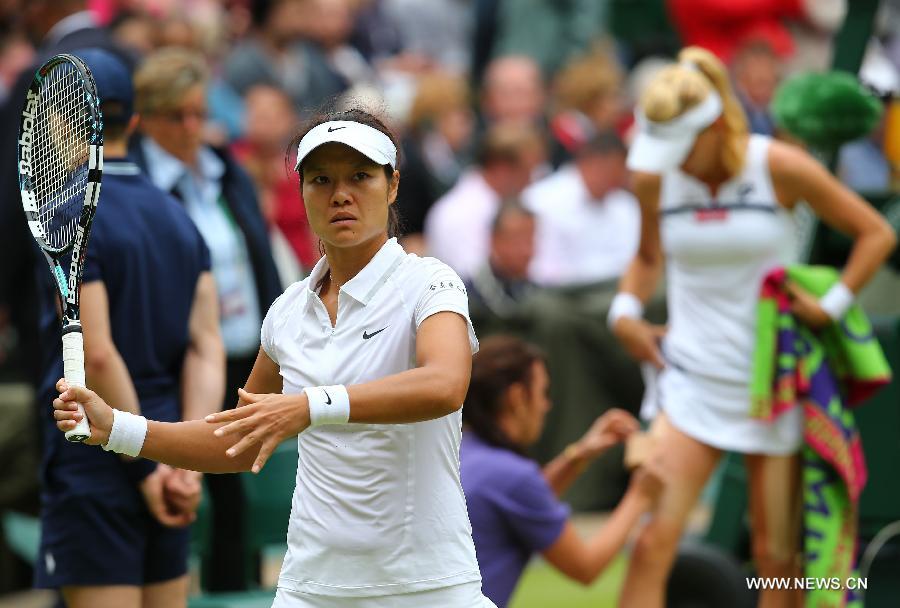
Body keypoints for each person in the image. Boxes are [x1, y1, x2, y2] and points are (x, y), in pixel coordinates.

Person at [52, 108, 499, 608]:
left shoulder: (431, 283)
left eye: (361, 177)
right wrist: (115, 427)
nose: (341, 194)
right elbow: (237, 443)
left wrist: (310, 405)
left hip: (429, 587)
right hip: (310, 589)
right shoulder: (286, 313)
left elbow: (444, 385)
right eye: (321, 180)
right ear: (302, 192)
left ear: (393, 186)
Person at [609, 46, 897, 608]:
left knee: (776, 559)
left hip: (775, 385)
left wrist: (831, 304)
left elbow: (875, 233)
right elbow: (646, 258)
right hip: (690, 380)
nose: (670, 160)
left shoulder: (778, 166)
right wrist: (624, 313)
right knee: (651, 542)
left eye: (682, 144)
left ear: (716, 126)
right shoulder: (654, 180)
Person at [34, 48, 223, 608]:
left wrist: (145, 467)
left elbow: (97, 357)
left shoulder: (70, 212)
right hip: (167, 450)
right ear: (135, 122)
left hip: (99, 459)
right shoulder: (180, 216)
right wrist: (184, 462)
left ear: (61, 122)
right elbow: (206, 345)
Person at [130, 46, 283, 591]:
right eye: (178, 115)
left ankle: (234, 591)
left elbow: (256, 254)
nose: (192, 126)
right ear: (144, 118)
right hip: (179, 359)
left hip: (242, 350)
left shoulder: (225, 171)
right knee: (178, 477)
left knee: (237, 486)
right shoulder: (140, 183)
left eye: (199, 112)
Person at [460, 335, 663, 608]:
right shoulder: (512, 476)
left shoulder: (465, 453)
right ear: (517, 397)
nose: (546, 406)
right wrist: (640, 494)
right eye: (543, 393)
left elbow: (526, 500)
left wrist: (579, 455)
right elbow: (586, 566)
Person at [424, 123, 542, 279]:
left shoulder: (511, 204)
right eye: (527, 172)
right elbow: (475, 282)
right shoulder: (458, 213)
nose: (531, 181)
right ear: (502, 169)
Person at [523, 131, 639, 287]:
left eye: (619, 172)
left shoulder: (625, 205)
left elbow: (632, 259)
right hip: (560, 295)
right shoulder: (541, 200)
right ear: (587, 162)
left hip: (615, 289)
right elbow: (541, 268)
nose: (614, 178)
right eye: (607, 169)